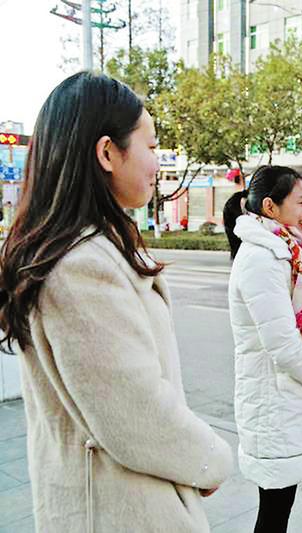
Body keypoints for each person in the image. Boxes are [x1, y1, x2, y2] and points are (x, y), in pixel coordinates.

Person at [0, 72, 234, 532]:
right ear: (107, 153)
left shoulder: (81, 249)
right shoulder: (81, 265)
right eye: (151, 146)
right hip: (119, 510)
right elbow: (135, 412)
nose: (157, 162)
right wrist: (211, 459)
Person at [223, 165, 302, 533]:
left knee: (278, 508)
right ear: (270, 207)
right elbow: (283, 344)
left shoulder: (286, 251)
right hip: (272, 405)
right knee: (274, 512)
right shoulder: (261, 258)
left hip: (285, 401)